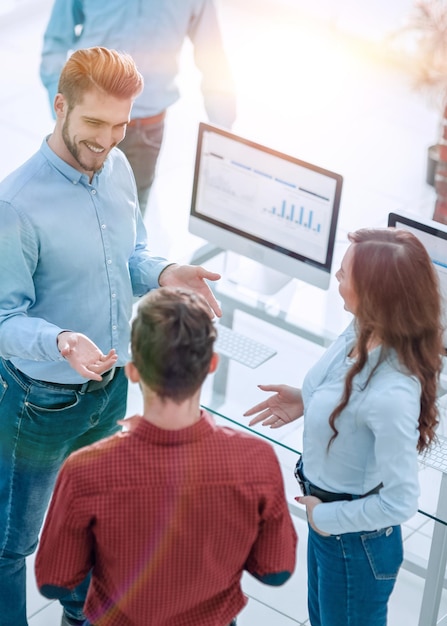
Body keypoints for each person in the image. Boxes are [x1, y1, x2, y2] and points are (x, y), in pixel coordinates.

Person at [0, 46, 227, 626]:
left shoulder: (118, 166)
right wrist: (59, 341)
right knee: (11, 545)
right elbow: (4, 319)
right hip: (39, 405)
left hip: (107, 393)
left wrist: (165, 273)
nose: (107, 141)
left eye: (121, 125)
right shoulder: (15, 205)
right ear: (60, 106)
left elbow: (132, 254)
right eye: (94, 124)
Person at [35, 286, 298, 626]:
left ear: (132, 371)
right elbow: (275, 571)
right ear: (212, 365)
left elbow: (55, 579)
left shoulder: (86, 470)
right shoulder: (256, 459)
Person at [244, 228, 444, 626]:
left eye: (345, 273)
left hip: (355, 541)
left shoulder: (392, 394)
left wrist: (325, 519)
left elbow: (401, 502)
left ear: (374, 293)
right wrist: (307, 400)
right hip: (331, 526)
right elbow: (340, 389)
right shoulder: (360, 328)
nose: (336, 277)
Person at [39, 0, 237, 215]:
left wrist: (221, 133)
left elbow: (213, 58)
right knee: (70, 211)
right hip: (85, 121)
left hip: (145, 129)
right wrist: (65, 108)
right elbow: (56, 41)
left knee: (129, 217)